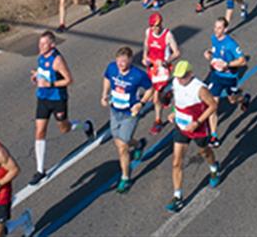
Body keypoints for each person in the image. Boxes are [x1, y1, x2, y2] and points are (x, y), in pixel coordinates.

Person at [29, 31, 93, 185]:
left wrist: (50, 84)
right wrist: (37, 76)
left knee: (64, 128)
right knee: (39, 130)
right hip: (43, 98)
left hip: (58, 99)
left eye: (44, 44)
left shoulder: (57, 60)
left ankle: (86, 126)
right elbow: (43, 72)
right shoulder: (40, 57)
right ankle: (40, 170)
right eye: (40, 43)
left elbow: (69, 80)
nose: (41, 46)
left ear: (52, 45)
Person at [166, 60, 220, 213]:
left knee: (205, 152)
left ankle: (214, 167)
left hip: (198, 128)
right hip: (181, 127)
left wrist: (197, 122)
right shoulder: (176, 83)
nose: (180, 80)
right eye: (178, 77)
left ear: (191, 74)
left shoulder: (199, 88)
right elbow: (179, 101)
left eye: (183, 76)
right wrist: (174, 113)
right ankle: (178, 197)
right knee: (176, 162)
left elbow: (213, 106)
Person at [101, 47, 153, 193]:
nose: (121, 64)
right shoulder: (112, 68)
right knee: (120, 139)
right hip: (114, 111)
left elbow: (150, 89)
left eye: (124, 61)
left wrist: (141, 103)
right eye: (119, 60)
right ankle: (138, 145)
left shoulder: (138, 75)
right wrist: (104, 95)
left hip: (130, 113)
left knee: (122, 147)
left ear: (130, 60)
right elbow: (106, 78)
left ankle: (125, 178)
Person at [203, 17, 249, 147]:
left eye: (219, 28)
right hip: (216, 76)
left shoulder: (231, 44)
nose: (216, 30)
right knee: (213, 104)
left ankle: (243, 99)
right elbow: (214, 49)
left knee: (232, 100)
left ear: (225, 29)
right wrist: (209, 52)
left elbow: (242, 61)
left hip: (229, 78)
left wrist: (227, 65)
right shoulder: (214, 38)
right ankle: (214, 136)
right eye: (215, 27)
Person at [143, 13, 181, 135]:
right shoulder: (148, 32)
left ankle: (158, 121)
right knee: (151, 92)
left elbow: (176, 52)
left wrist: (166, 61)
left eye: (158, 25)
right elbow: (146, 45)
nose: (156, 28)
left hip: (163, 69)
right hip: (152, 67)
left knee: (155, 97)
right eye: (154, 26)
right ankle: (167, 96)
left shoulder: (167, 35)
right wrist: (145, 57)